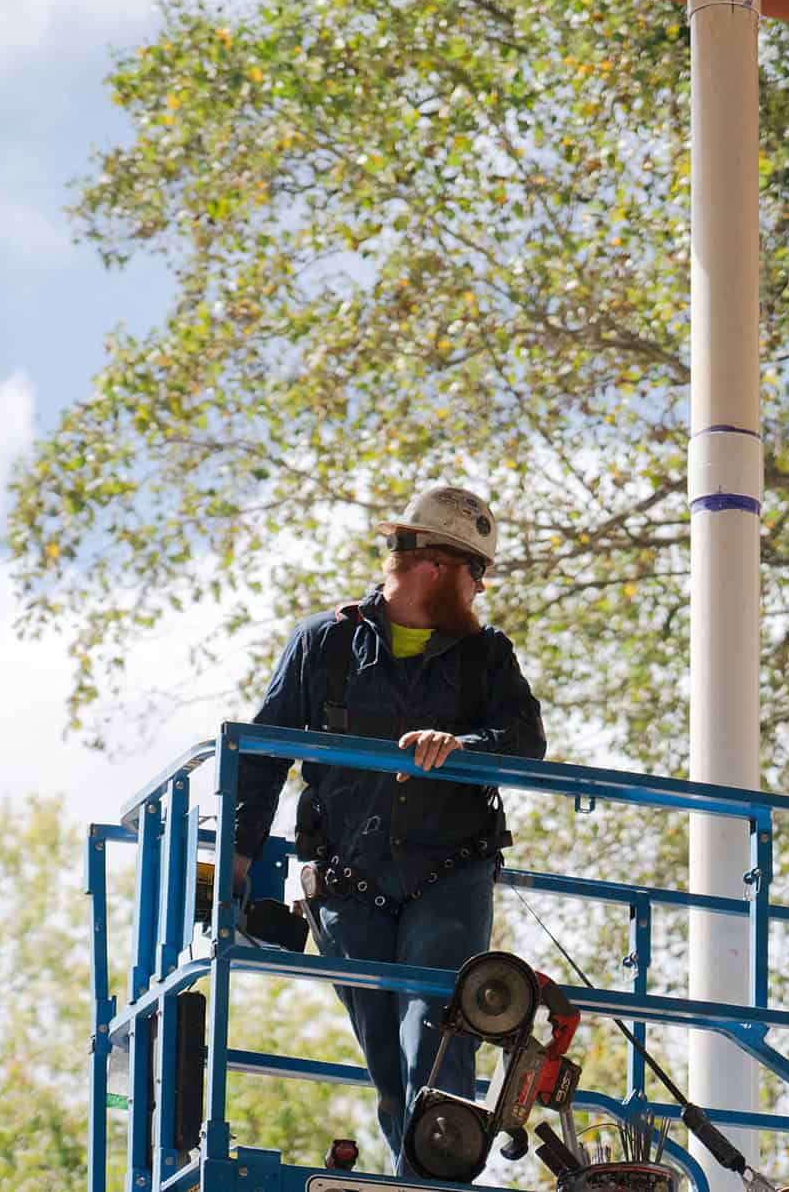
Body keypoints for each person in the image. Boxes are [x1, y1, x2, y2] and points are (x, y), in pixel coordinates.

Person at [231, 485, 546, 1173]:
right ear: (438, 566)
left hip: (448, 875)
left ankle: (431, 1184)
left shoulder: (486, 655)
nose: (480, 592)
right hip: (348, 885)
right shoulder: (325, 644)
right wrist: (236, 864)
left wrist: (463, 745)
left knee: (437, 1033)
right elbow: (257, 758)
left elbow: (525, 742)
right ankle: (418, 1179)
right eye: (477, 576)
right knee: (390, 1061)